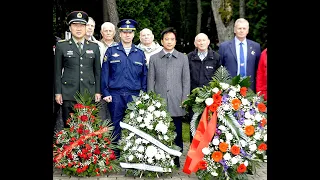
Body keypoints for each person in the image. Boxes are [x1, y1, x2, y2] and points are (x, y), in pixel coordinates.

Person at [101, 19, 148, 158]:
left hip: (134, 94)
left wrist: (143, 94)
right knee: (115, 124)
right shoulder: (111, 51)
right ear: (119, 34)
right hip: (115, 94)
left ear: (134, 35)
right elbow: (105, 73)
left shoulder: (139, 53)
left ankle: (131, 153)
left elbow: (144, 76)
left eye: (130, 32)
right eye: (124, 32)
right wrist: (105, 92)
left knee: (133, 124)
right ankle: (115, 153)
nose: (127, 35)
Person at [147, 27, 190, 168]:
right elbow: (150, 81)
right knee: (160, 129)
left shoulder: (183, 58)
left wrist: (185, 98)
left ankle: (176, 157)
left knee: (177, 131)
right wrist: (151, 99)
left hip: (177, 100)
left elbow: (186, 80)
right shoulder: (154, 58)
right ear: (161, 41)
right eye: (166, 39)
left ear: (175, 41)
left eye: (172, 39)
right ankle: (161, 156)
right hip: (159, 101)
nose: (169, 42)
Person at [54, 11, 101, 128]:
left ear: (86, 28)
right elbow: (57, 71)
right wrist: (58, 92)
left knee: (88, 127)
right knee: (69, 126)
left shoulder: (94, 47)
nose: (78, 28)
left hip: (88, 92)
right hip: (68, 92)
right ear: (70, 27)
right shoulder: (62, 46)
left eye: (82, 25)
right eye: (75, 25)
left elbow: (97, 72)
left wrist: (98, 91)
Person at [187, 32, 221, 142]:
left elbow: (219, 78)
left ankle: (208, 155)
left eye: (203, 40)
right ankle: (193, 156)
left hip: (210, 100)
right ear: (195, 43)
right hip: (195, 99)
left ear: (208, 42)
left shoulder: (216, 57)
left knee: (210, 128)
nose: (201, 43)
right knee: (194, 127)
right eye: (199, 41)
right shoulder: (189, 57)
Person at [218, 18, 261, 92]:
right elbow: (220, 67)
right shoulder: (224, 46)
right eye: (239, 28)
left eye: (244, 28)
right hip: (230, 88)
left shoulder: (255, 47)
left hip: (249, 88)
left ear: (247, 30)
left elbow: (258, 68)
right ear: (234, 30)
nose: (241, 31)